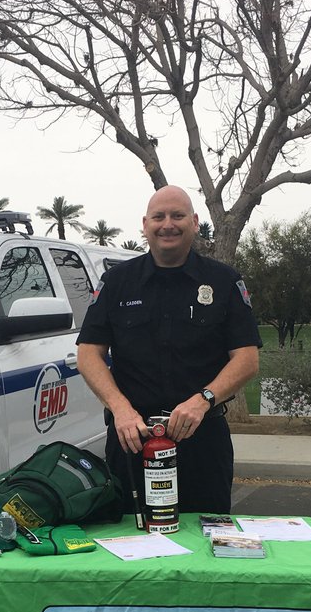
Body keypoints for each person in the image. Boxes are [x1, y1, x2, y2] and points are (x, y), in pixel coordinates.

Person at [76, 185, 262, 514]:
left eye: (177, 216)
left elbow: (247, 360)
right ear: (145, 225)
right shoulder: (117, 282)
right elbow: (88, 354)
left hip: (202, 441)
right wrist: (120, 408)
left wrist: (202, 400)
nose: (168, 224)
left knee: (207, 545)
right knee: (130, 546)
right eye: (159, 217)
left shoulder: (223, 282)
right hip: (132, 439)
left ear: (194, 222)